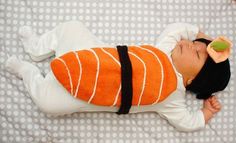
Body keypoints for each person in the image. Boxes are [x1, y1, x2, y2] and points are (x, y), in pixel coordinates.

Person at [5, 21, 232, 132]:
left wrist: (205, 113)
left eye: (199, 55)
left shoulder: (173, 99)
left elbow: (187, 123)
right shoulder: (165, 48)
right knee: (71, 28)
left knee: (48, 103)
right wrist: (206, 38)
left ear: (192, 80)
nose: (192, 46)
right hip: (90, 55)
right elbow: (178, 28)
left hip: (85, 93)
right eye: (195, 44)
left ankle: (27, 71)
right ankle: (37, 48)